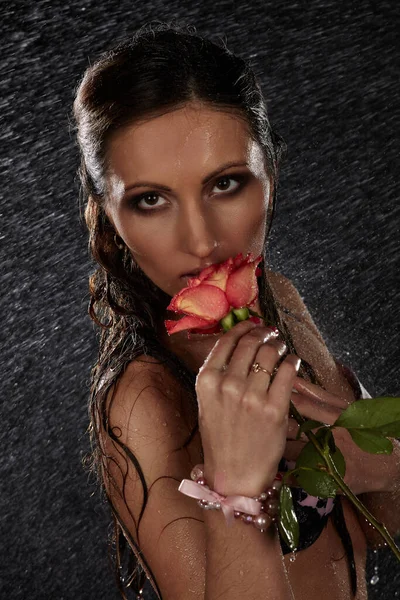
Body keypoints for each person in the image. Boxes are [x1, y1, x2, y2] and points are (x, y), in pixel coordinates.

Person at [72, 21, 400, 600]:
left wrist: (376, 462)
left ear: (271, 173)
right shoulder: (146, 401)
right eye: (150, 200)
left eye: (226, 184)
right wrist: (236, 488)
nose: (200, 241)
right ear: (109, 215)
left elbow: (384, 526)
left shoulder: (283, 306)